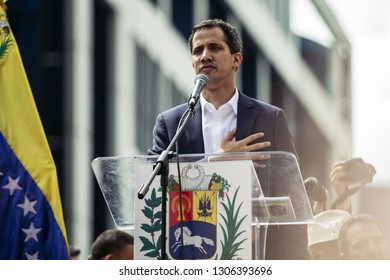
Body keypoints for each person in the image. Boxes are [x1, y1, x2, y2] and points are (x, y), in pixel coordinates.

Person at [148, 18, 307, 260]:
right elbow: (152, 191)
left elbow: (293, 199)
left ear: (236, 59)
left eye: (214, 47)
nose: (205, 56)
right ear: (192, 63)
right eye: (198, 50)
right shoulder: (171, 124)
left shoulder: (270, 119)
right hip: (189, 257)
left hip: (261, 256)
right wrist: (214, 164)